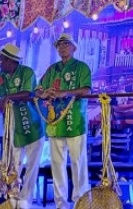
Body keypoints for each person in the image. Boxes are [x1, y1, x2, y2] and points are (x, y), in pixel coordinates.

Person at [0, 44, 43, 207]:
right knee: (13, 163)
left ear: (10, 60)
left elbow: (27, 93)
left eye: (1, 60)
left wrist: (7, 97)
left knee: (31, 165)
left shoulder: (26, 72)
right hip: (13, 127)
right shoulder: (1, 76)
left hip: (33, 126)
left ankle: (25, 201)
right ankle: (13, 198)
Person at [37, 34, 92, 209]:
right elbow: (37, 89)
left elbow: (86, 90)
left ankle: (81, 203)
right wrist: (43, 94)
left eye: (66, 44)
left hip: (75, 121)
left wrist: (65, 93)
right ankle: (61, 204)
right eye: (59, 45)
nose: (62, 47)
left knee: (78, 163)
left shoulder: (82, 67)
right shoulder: (52, 69)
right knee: (57, 165)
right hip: (55, 122)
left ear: (74, 48)